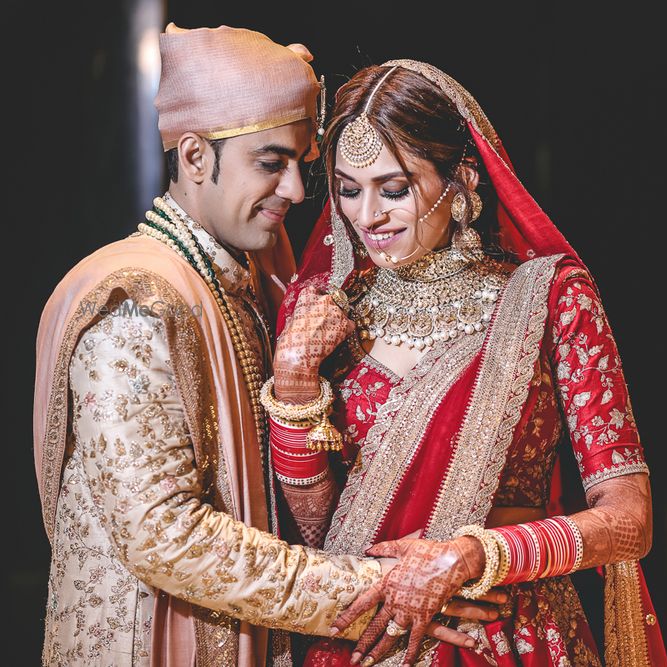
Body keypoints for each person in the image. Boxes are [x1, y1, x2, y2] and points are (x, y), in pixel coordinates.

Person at [33, 28, 477, 666]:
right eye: (271, 164)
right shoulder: (136, 303)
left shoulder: (245, 281)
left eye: (302, 163)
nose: (298, 191)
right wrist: (380, 589)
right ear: (193, 157)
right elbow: (165, 535)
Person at [271, 61, 667, 667]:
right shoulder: (319, 313)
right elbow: (322, 538)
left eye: (394, 188)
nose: (366, 215)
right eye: (348, 189)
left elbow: (629, 521)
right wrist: (296, 384)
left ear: (459, 179)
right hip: (367, 636)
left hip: (507, 631)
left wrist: (476, 555)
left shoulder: (548, 298)